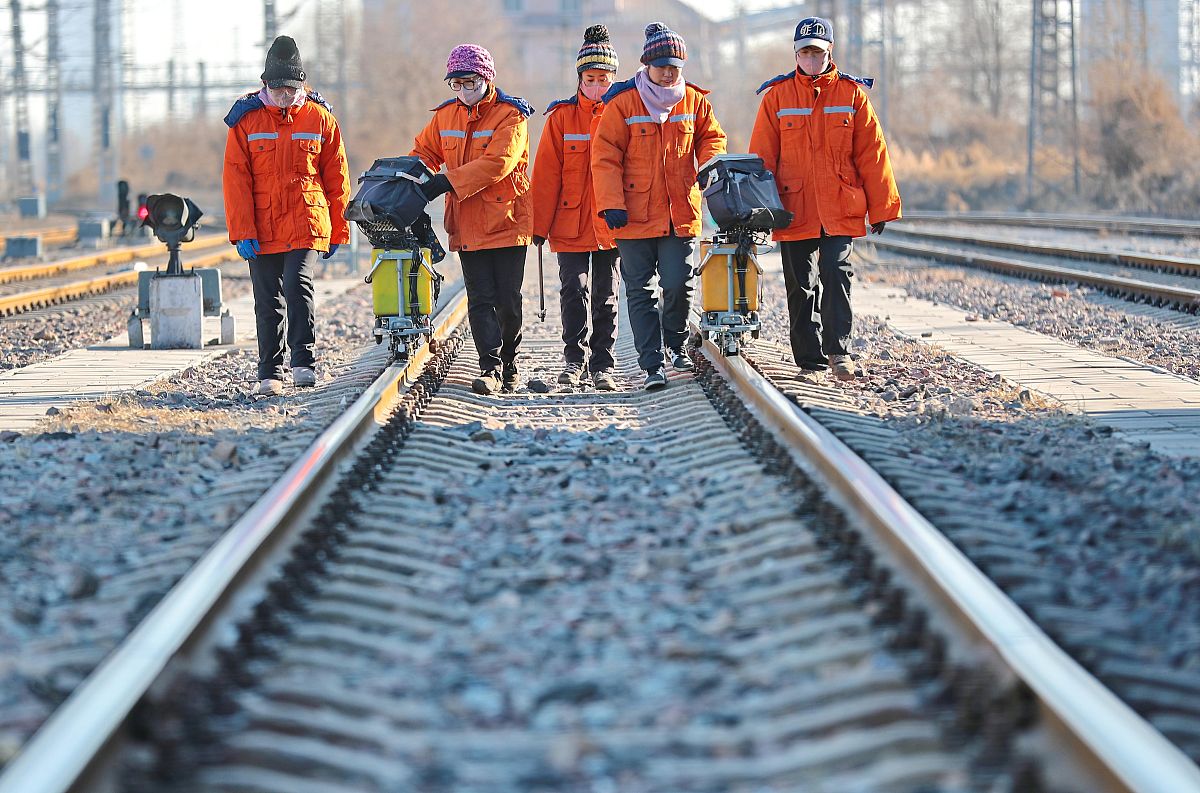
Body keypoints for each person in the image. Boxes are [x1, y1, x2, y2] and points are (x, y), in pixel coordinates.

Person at [748, 17, 901, 381]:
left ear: (829, 51)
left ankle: (838, 352)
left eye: (818, 52)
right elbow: (762, 159)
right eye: (805, 52)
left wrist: (881, 207)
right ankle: (809, 358)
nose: (811, 59)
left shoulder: (851, 95)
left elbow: (872, 154)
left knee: (836, 273)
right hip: (793, 207)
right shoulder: (777, 97)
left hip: (839, 205)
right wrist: (758, 211)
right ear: (795, 53)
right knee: (800, 285)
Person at [592, 22, 727, 391]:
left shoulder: (695, 101)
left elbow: (712, 137)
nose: (668, 72)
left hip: (680, 211)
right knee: (640, 291)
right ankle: (652, 363)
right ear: (647, 65)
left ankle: (677, 344)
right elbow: (604, 158)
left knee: (679, 284)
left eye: (675, 66)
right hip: (632, 216)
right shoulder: (621, 103)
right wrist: (611, 204)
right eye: (662, 65)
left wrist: (710, 164)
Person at [223, 35, 351, 397]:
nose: (285, 97)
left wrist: (339, 230)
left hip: (307, 222)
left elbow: (336, 177)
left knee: (297, 285)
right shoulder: (245, 122)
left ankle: (303, 362)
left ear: (302, 85)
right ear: (265, 85)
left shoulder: (322, 118)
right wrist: (241, 231)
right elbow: (235, 181)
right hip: (262, 227)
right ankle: (270, 372)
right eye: (278, 90)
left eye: (292, 90)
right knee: (267, 299)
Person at [411, 44, 534, 396]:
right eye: (456, 83)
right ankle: (490, 367)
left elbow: (500, 162)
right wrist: (405, 177)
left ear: (486, 79)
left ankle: (509, 361)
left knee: (507, 301)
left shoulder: (511, 115)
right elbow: (423, 153)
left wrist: (446, 181)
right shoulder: (445, 116)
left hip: (507, 221)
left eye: (469, 82)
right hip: (466, 221)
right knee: (480, 298)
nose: (463, 90)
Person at [531, 25, 621, 392]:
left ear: (613, 78)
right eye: (590, 78)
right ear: (579, 78)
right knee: (573, 289)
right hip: (569, 223)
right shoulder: (560, 118)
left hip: (610, 222)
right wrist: (538, 225)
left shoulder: (623, 112)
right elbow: (546, 175)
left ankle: (603, 365)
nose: (597, 85)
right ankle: (573, 360)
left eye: (603, 78)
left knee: (606, 294)